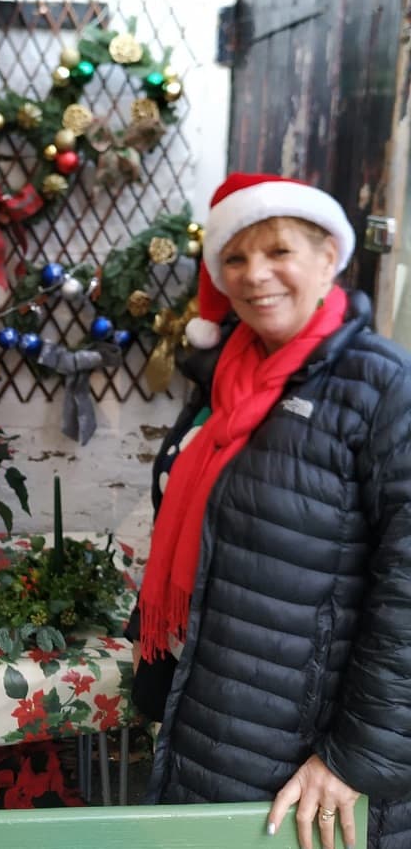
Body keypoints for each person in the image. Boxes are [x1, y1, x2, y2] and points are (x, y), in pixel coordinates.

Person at [126, 172, 411, 849]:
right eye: (236, 257)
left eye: (279, 251)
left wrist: (352, 759)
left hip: (310, 756)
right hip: (215, 719)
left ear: (328, 258)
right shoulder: (227, 378)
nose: (256, 275)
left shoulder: (380, 387)